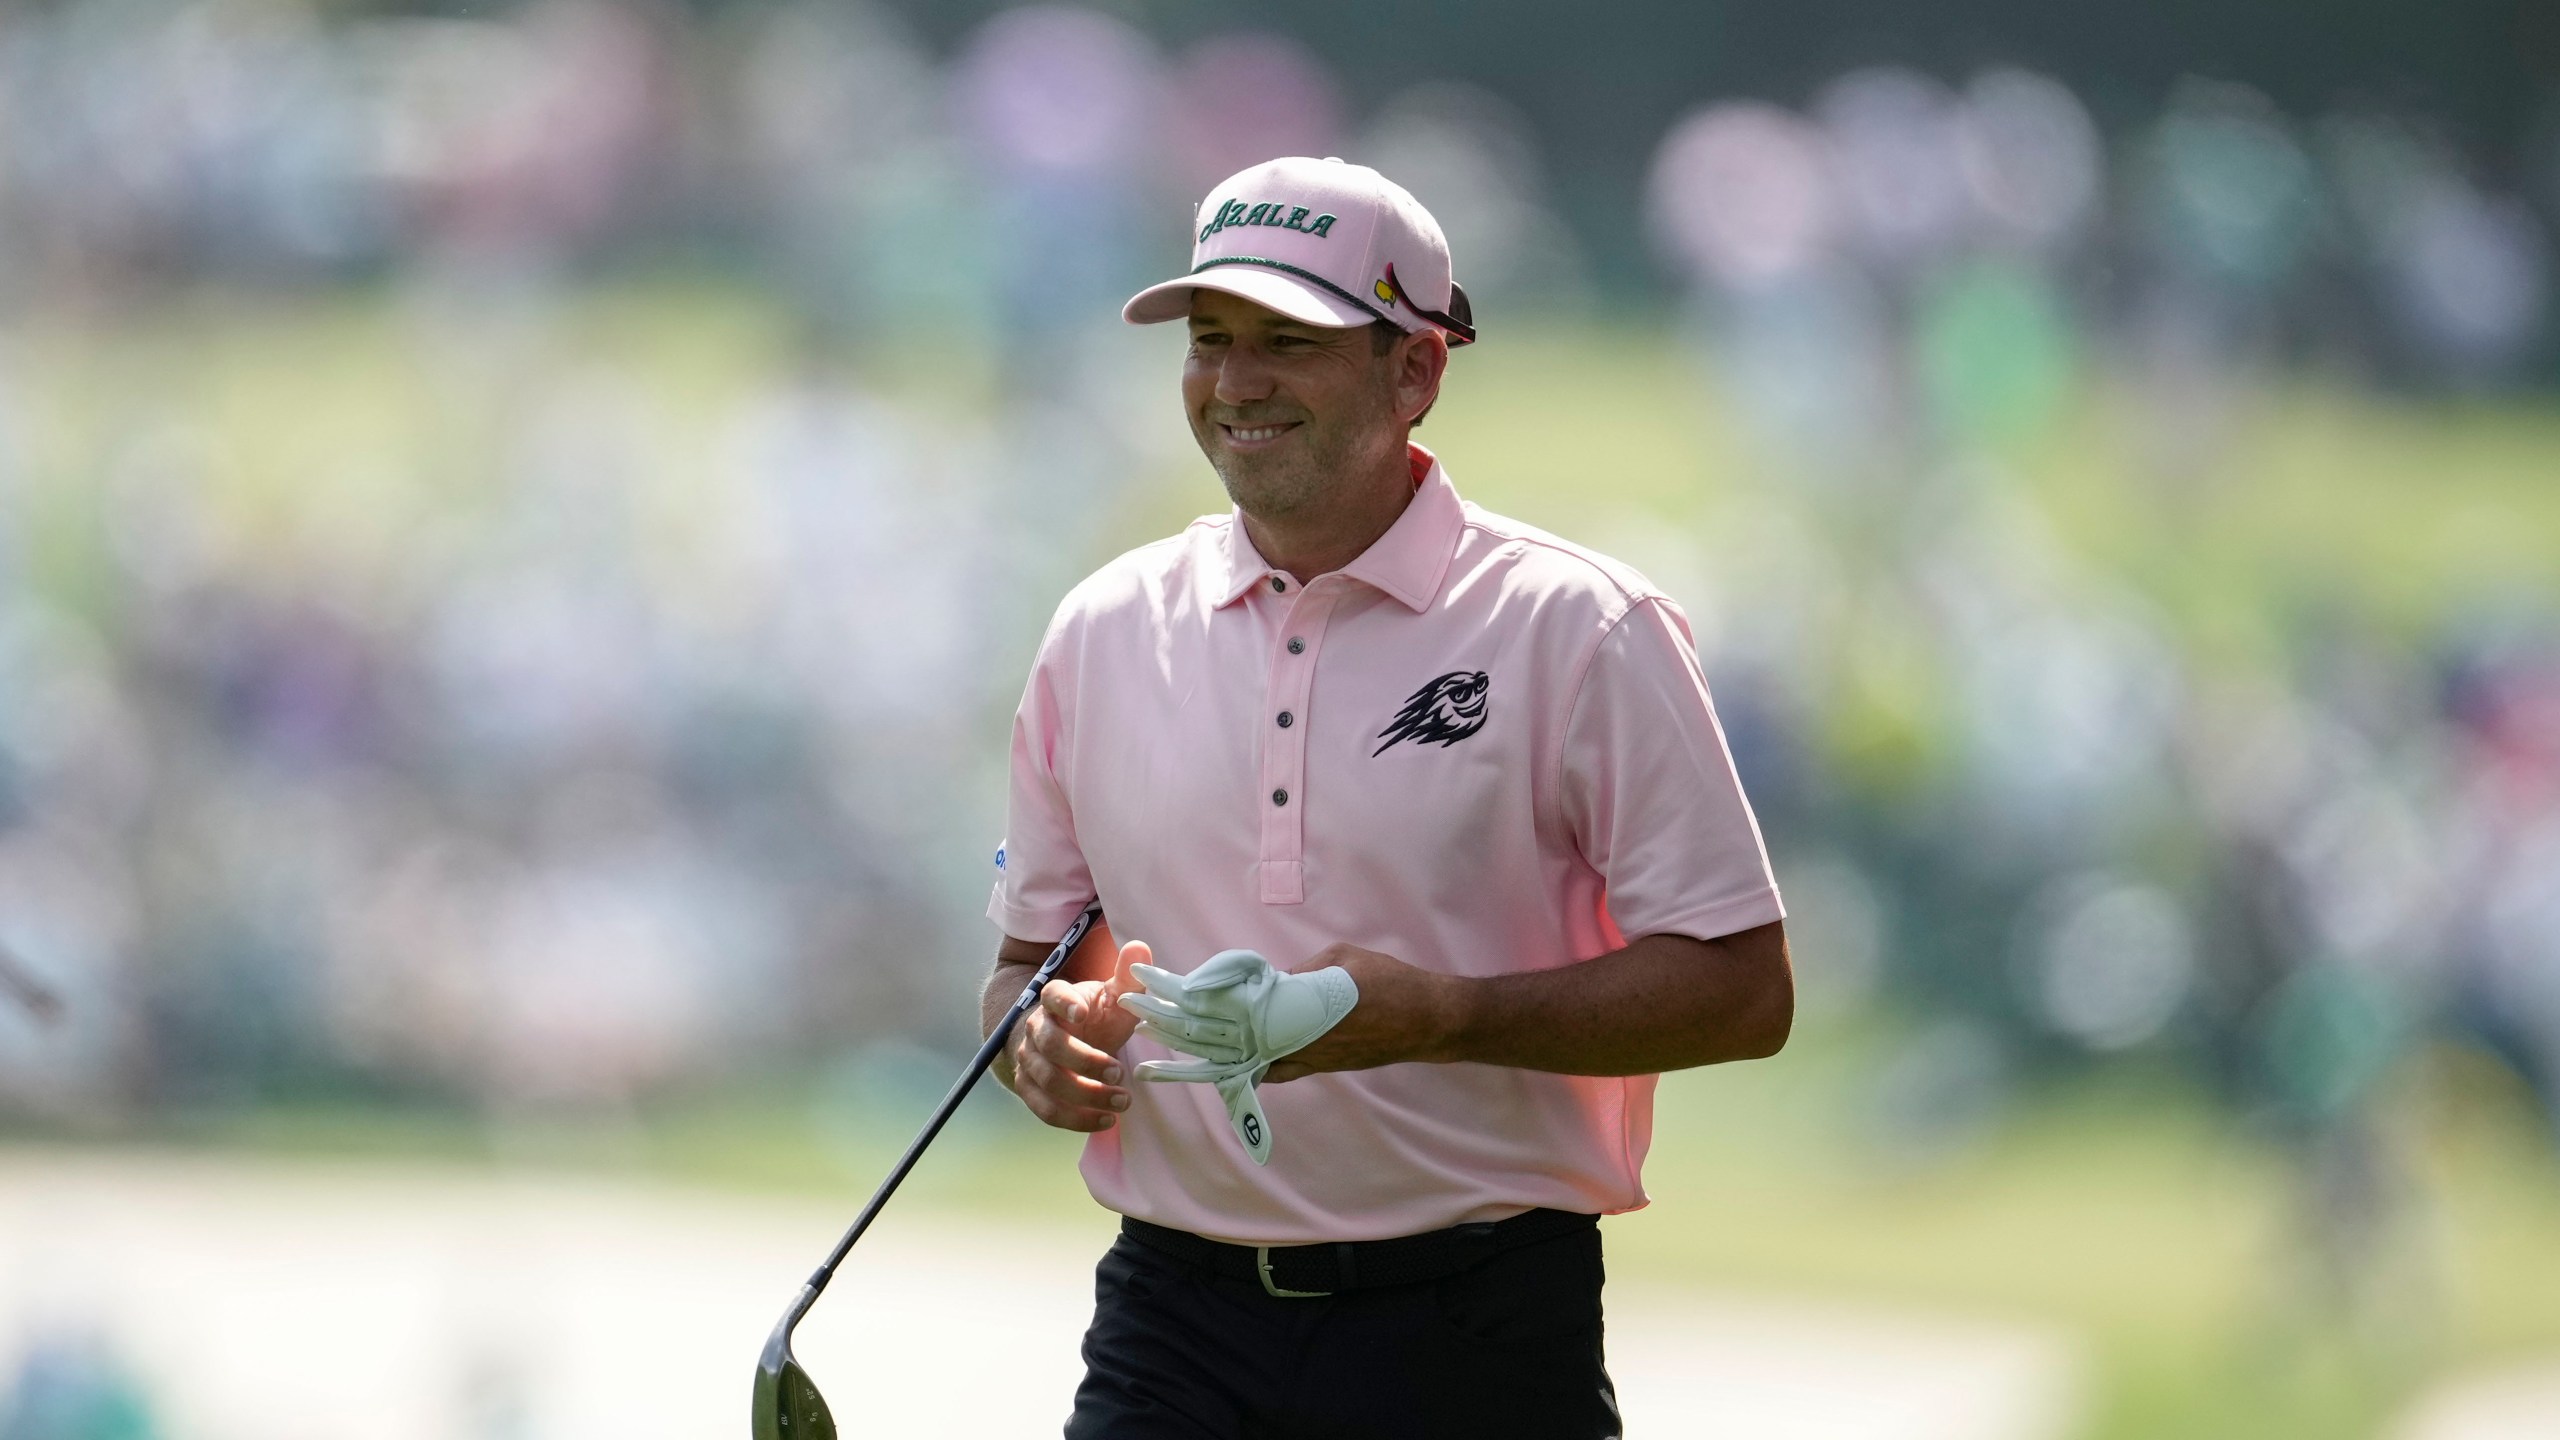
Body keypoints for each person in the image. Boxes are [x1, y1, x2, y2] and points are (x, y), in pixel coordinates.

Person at [982, 155, 1792, 1440]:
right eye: (1209, 341)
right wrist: (1046, 1040)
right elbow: (1032, 966)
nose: (1235, 383)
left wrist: (1439, 1016)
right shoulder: (1101, 631)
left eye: (1287, 342)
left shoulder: (1580, 629)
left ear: (1414, 371)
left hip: (1473, 1324)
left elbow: (1745, 990)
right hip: (1171, 1320)